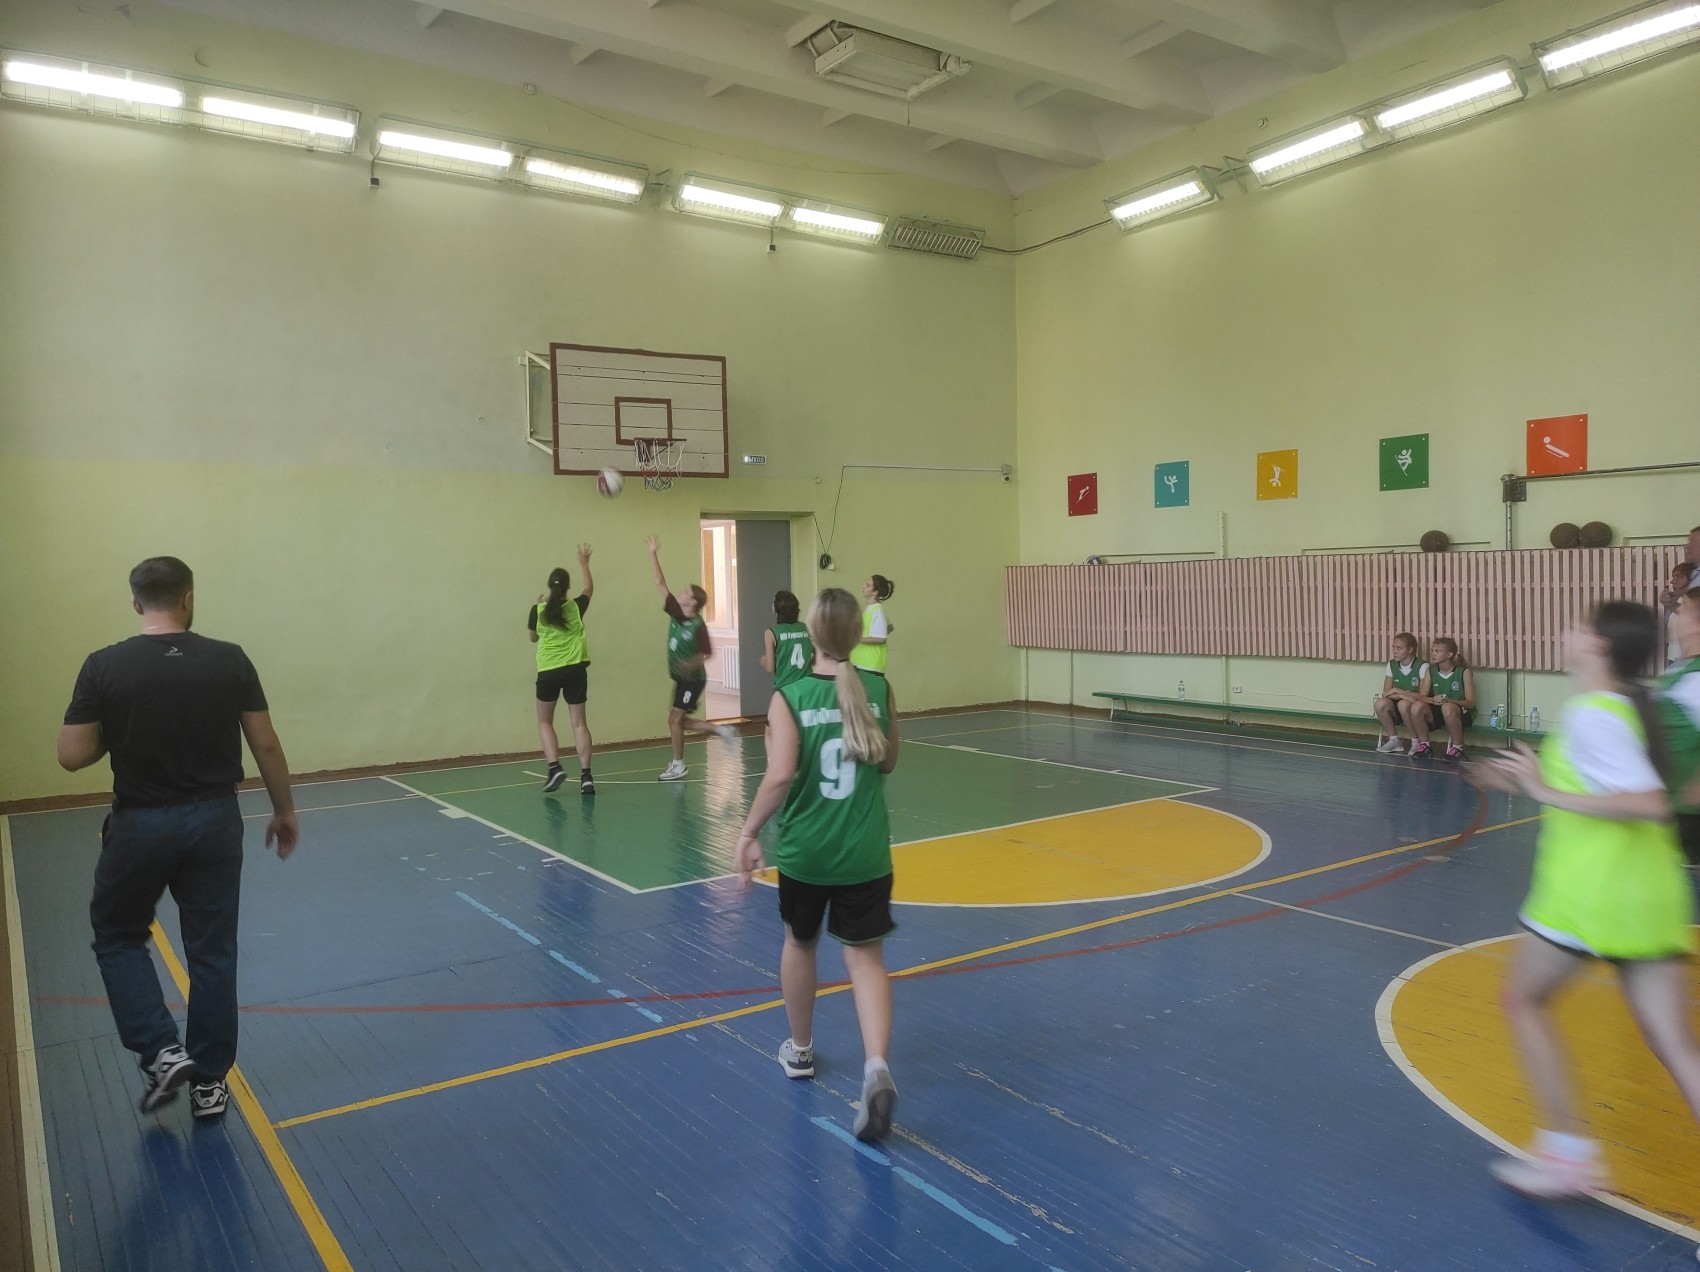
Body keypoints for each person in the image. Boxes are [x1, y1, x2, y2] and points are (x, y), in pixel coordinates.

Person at [1470, 601, 1700, 1199]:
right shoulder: (1631, 706)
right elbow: (1611, 778)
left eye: (1577, 626)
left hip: (1591, 897)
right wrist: (1523, 778)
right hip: (1649, 897)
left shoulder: (1592, 714)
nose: (1565, 632)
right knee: (1678, 1047)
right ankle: (1567, 1155)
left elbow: (1648, 802)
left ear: (1598, 645)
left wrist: (1542, 790)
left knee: (1523, 1001)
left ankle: (1568, 1155)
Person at [57, 557, 298, 1120]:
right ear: (188, 598)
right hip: (215, 821)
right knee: (212, 950)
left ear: (136, 602)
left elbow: (71, 755)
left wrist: (116, 732)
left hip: (141, 825)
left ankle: (161, 1049)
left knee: (118, 935)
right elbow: (265, 743)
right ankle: (209, 1083)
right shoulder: (230, 659)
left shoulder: (104, 665)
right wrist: (284, 809)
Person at [733, 588, 902, 1142]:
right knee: (866, 959)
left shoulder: (791, 696)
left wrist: (748, 832)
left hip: (807, 853)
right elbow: (888, 762)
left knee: (799, 943)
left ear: (811, 635)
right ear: (856, 635)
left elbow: (780, 775)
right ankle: (876, 1068)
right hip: (865, 852)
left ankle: (801, 1051)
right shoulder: (878, 688)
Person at [645, 535, 734, 781]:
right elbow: (659, 582)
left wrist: (690, 663)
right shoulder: (676, 611)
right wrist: (653, 554)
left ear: (693, 602)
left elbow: (707, 653)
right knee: (678, 721)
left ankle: (678, 765)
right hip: (682, 678)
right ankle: (720, 730)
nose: (681, 592)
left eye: (686, 592)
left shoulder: (698, 626)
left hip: (693, 680)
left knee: (674, 720)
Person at [528, 546, 595, 794]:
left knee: (545, 721)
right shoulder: (576, 607)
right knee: (579, 724)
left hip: (548, 670)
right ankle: (586, 777)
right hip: (575, 668)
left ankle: (554, 767)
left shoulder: (538, 610)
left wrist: (538, 606)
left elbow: (533, 637)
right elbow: (588, 589)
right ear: (567, 588)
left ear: (549, 586)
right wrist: (584, 563)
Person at [1657, 580, 1700, 866]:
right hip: (1672, 802)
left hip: (1690, 809)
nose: (1677, 614)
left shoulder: (1696, 677)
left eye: (1683, 609)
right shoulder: (1679, 670)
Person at [1411, 637, 1475, 761]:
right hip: (1439, 711)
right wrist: (1433, 700)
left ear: (1449, 654)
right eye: (1432, 650)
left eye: (1438, 651)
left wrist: (1450, 701)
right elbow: (1421, 697)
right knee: (1416, 706)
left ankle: (1458, 748)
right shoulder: (1431, 670)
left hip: (1461, 713)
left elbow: (1470, 703)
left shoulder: (1464, 672)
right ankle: (1425, 745)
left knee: (1447, 707)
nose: (1433, 654)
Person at [1373, 632, 1428, 755]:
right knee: (1380, 703)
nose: (1395, 651)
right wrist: (1403, 695)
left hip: (1415, 707)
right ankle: (1394, 740)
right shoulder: (1392, 664)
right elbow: (1386, 692)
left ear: (1410, 650)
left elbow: (1422, 696)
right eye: (1393, 647)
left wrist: (1397, 691)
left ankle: (1416, 741)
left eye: (1399, 648)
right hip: (1399, 702)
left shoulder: (1422, 666)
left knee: (1403, 704)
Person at [761, 590, 813, 692]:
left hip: (785, 689)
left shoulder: (771, 633)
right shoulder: (805, 628)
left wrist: (763, 660)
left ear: (776, 610)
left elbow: (770, 667)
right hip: (806, 687)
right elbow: (815, 653)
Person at [849, 575, 894, 676]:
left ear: (875, 592)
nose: (864, 586)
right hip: (861, 662)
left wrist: (856, 639)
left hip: (870, 664)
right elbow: (889, 627)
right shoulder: (871, 608)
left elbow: (881, 638)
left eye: (868, 585)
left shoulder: (877, 610)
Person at [1661, 561, 1693, 668]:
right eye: (1673, 577)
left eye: (1678, 577)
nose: (1672, 582)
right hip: (1673, 658)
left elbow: (1690, 614)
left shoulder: (1695, 603)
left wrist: (1671, 604)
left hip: (1691, 660)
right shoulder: (1677, 600)